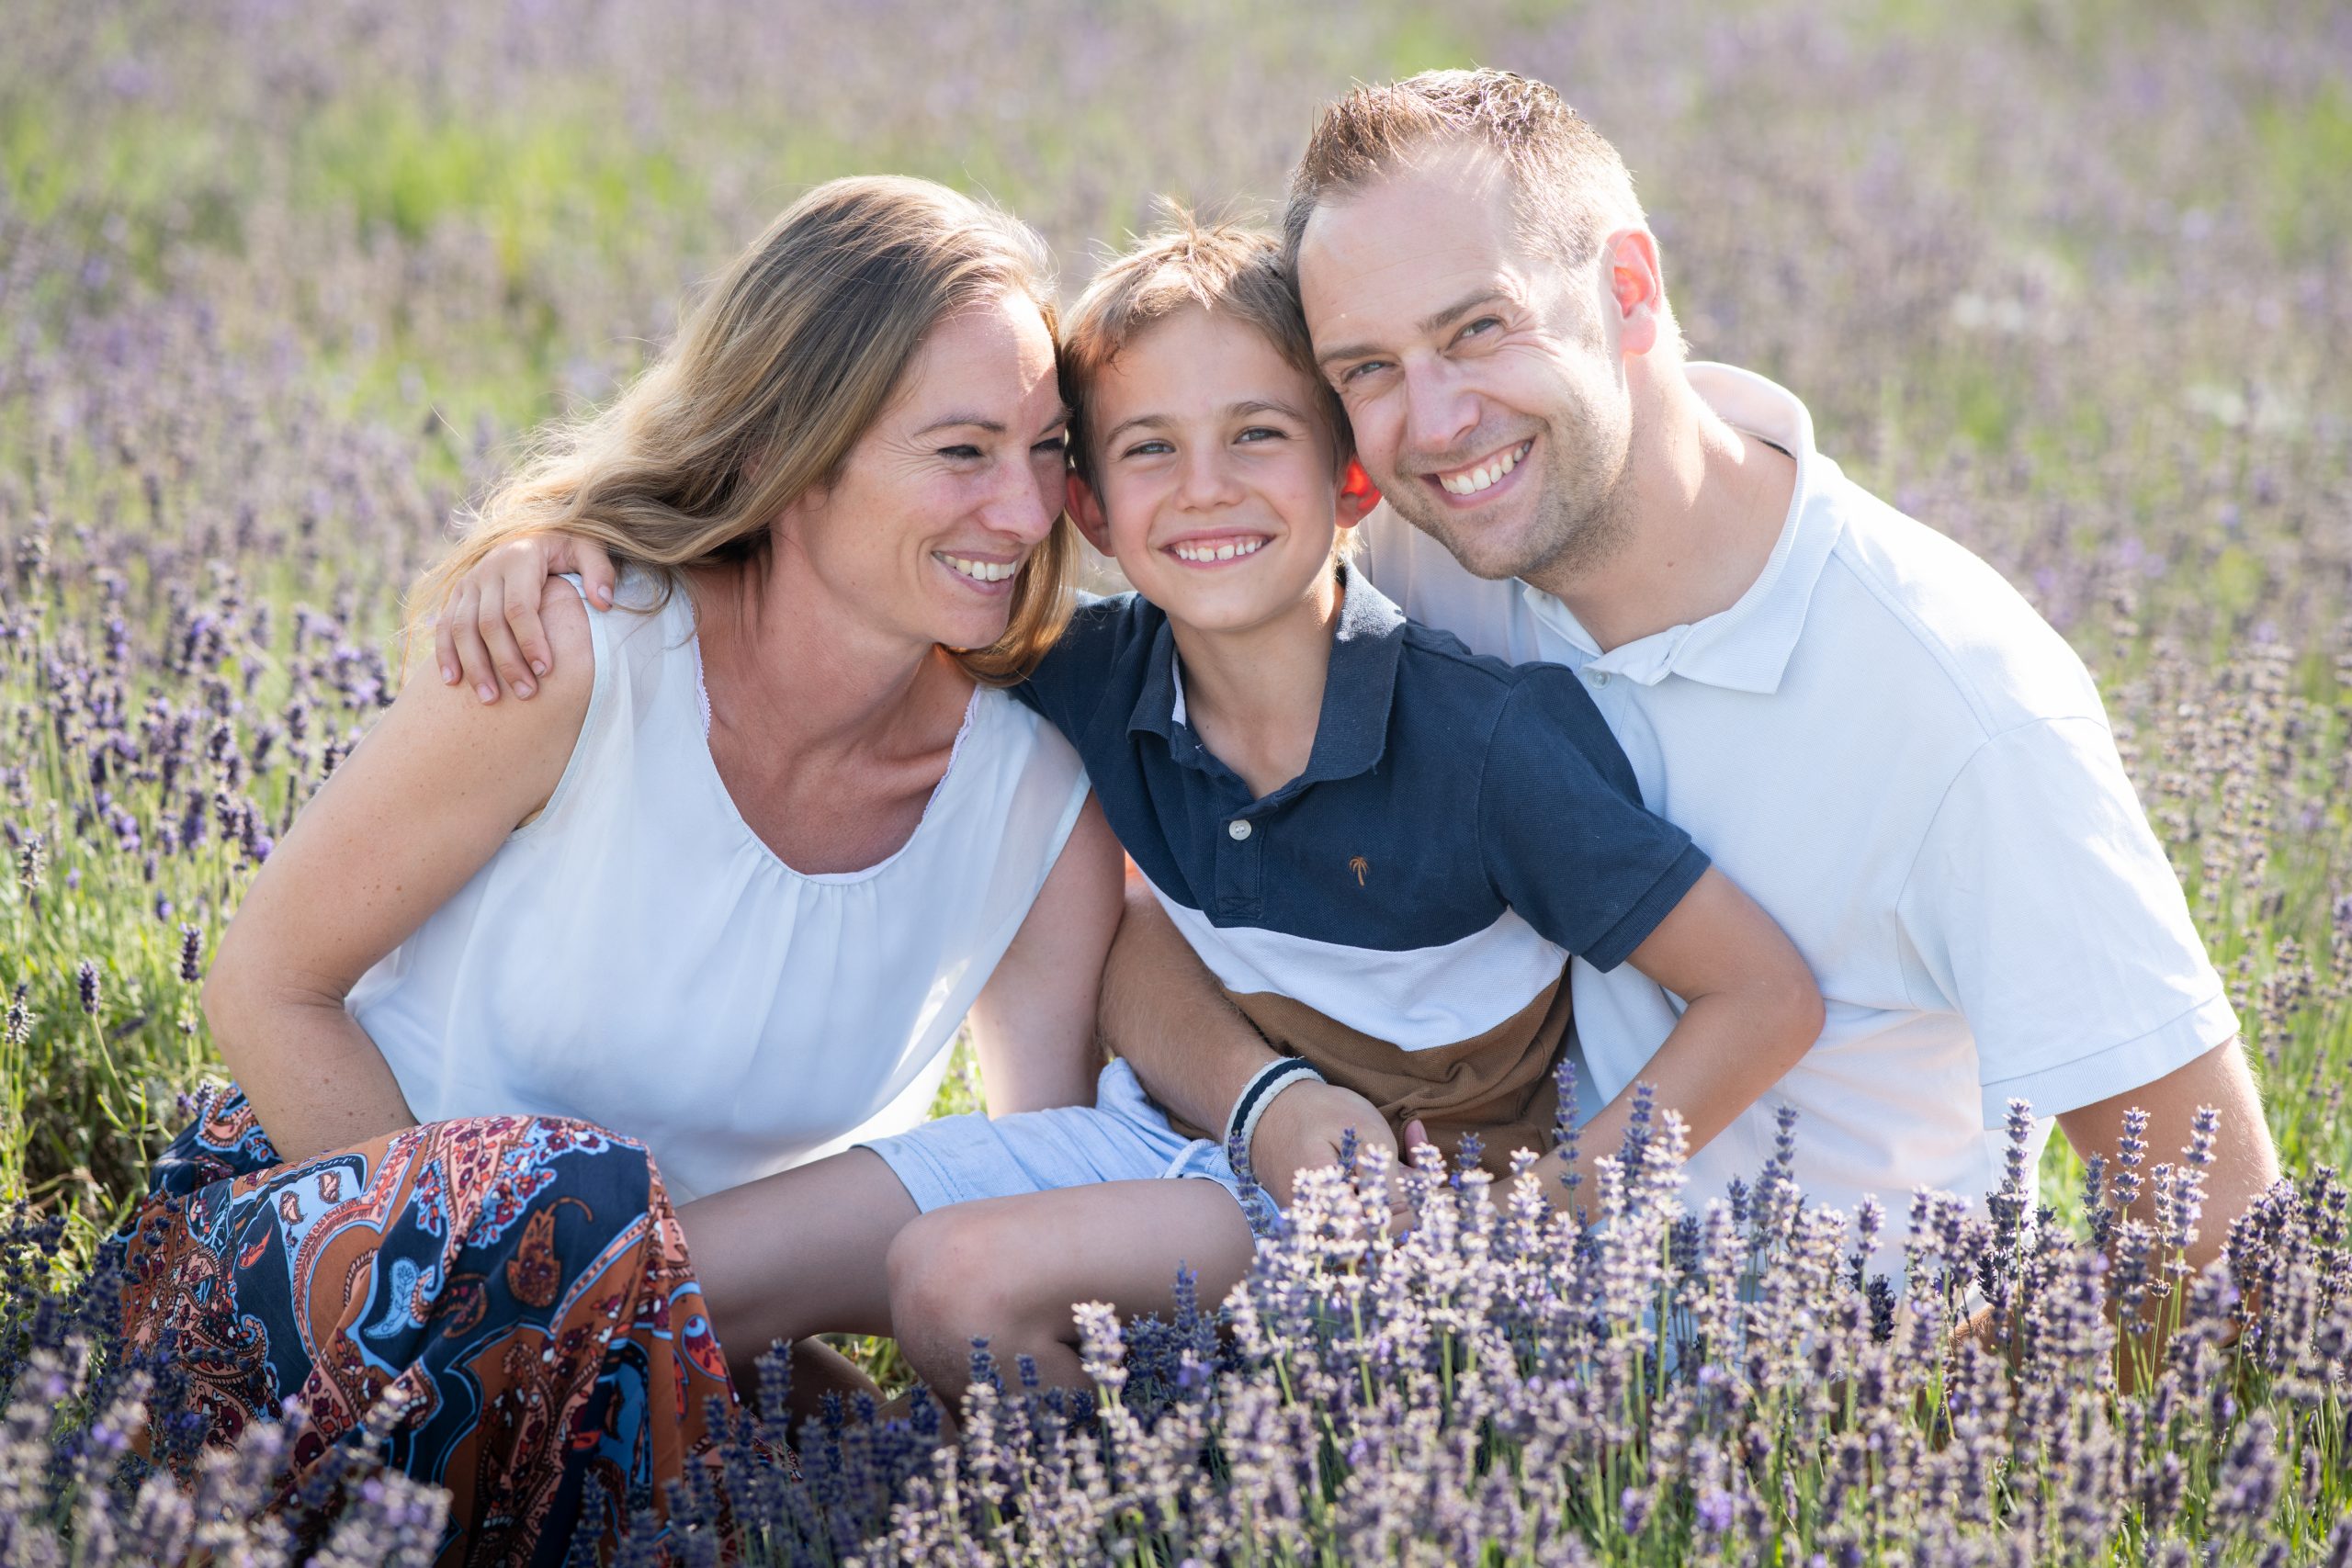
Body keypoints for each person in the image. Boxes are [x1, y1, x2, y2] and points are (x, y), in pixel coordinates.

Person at [437, 215, 1824, 1408]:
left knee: (958, 1277)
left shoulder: (1487, 748)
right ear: (1085, 509)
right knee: (657, 1283)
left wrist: (1548, 1227)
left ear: (1350, 477)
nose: (1207, 488)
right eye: (1148, 450)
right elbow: (832, 589)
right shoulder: (1086, 677)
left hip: (1390, 1215)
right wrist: (569, 548)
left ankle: (1178, 1509)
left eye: (1258, 435)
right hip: (1159, 1137)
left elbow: (1765, 996)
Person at [1107, 70, 2281, 1269]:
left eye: (1479, 329)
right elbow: (1156, 909)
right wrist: (1266, 1103)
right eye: (1366, 368)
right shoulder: (1410, 563)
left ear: (1628, 289)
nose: (1437, 419)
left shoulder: (1958, 703)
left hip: (1813, 1394)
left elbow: (2215, 1230)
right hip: (1472, 1321)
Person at [116, 175, 1123, 1566]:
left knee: (863, 1465)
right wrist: (482, 1304)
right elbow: (268, 985)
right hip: (304, 1259)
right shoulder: (573, 658)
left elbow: (1036, 1192)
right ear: (797, 448)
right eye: (961, 452)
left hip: (661, 1353)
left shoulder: (1036, 807)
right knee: (584, 1196)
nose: (1020, 512)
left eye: (1046, 450)